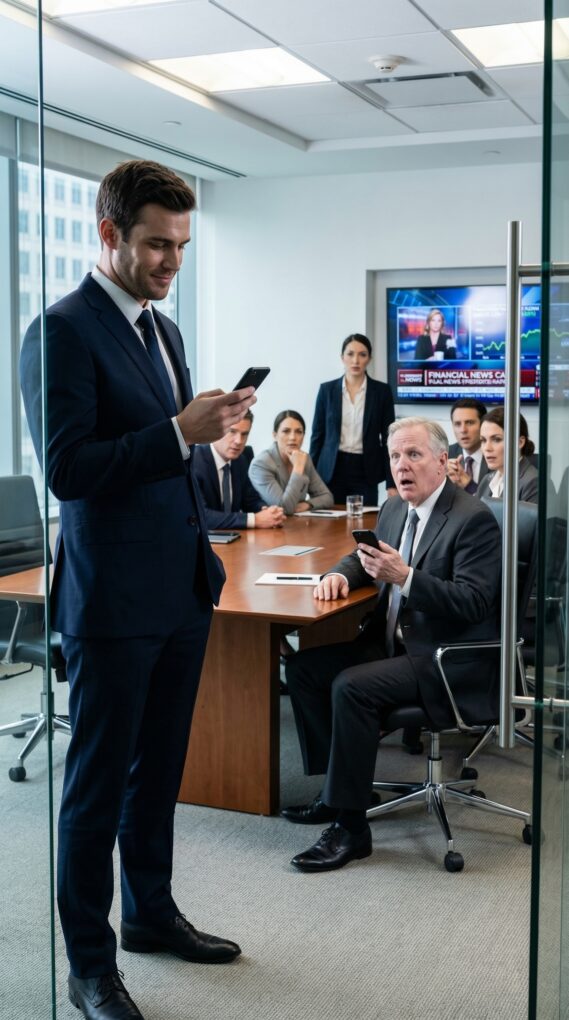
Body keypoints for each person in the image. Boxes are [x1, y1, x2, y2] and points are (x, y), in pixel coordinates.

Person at [19, 160, 254, 1020]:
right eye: (157, 245)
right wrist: (175, 432)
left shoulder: (163, 329)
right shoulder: (60, 331)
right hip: (112, 603)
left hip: (179, 590)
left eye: (182, 246)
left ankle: (151, 915)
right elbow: (70, 472)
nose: (171, 262)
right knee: (95, 788)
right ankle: (90, 966)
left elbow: (165, 456)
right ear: (109, 234)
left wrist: (203, 432)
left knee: (157, 776)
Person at [281, 417, 501, 873]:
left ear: (441, 461)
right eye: (395, 456)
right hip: (392, 646)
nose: (402, 466)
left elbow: (475, 602)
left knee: (351, 686)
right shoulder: (396, 506)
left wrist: (406, 578)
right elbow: (364, 556)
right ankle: (338, 792)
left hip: (440, 659)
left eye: (414, 455)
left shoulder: (472, 518)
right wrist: (340, 575)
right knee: (303, 670)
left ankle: (351, 829)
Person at [309, 333, 395, 505]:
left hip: (366, 469)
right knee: (329, 518)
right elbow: (317, 436)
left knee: (365, 519)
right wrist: (309, 478)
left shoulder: (382, 392)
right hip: (331, 468)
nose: (356, 360)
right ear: (342, 357)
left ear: (369, 359)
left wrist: (391, 483)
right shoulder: (326, 390)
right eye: (350, 354)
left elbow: (389, 440)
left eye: (362, 354)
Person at [193, 411, 285, 530]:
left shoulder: (240, 460)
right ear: (215, 430)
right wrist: (255, 520)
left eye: (244, 434)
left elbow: (250, 500)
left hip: (233, 537)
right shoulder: (195, 462)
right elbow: (201, 516)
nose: (239, 441)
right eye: (232, 431)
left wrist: (268, 512)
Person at [249, 410, 333, 516]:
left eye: (299, 432)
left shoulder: (304, 459)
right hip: (270, 524)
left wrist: (308, 504)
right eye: (286, 431)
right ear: (275, 435)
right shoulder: (261, 463)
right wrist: (298, 468)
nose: (293, 437)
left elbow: (327, 497)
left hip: (297, 522)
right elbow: (284, 508)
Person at [477, 407, 538, 503]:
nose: (487, 448)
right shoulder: (486, 479)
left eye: (496, 439)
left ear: (520, 442)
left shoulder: (533, 482)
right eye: (483, 440)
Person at [446, 398, 490, 494]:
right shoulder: (444, 456)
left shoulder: (498, 457)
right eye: (457, 424)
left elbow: (495, 501)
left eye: (469, 423)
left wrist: (469, 485)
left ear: (483, 425)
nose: (463, 430)